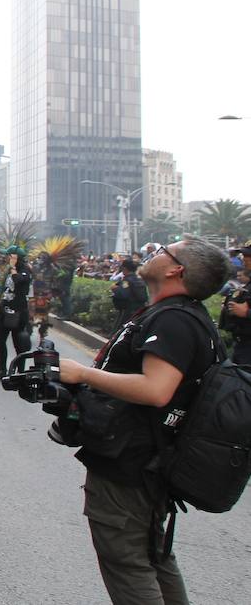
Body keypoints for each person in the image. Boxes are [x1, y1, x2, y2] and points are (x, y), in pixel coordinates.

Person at [57, 238, 230, 604]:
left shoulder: (174, 320)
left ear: (175, 269)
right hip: (149, 459)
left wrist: (81, 375)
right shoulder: (181, 316)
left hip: (132, 462)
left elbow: (156, 390)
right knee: (153, 555)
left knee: (129, 563)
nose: (152, 253)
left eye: (163, 251)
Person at [0, 246, 33, 380]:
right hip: (6, 310)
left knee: (18, 342)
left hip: (18, 312)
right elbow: (4, 287)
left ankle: (20, 371)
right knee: (0, 339)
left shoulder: (25, 270)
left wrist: (13, 268)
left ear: (16, 258)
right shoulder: (8, 270)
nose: (7, 258)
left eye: (10, 256)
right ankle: (2, 369)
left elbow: (19, 281)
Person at [220, 249, 251, 365]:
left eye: (248, 255)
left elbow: (245, 310)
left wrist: (246, 313)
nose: (243, 258)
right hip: (241, 343)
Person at [110, 258, 148, 333]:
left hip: (128, 310)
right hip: (140, 310)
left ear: (124, 268)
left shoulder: (126, 281)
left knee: (120, 331)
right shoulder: (139, 279)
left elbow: (123, 294)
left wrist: (115, 289)